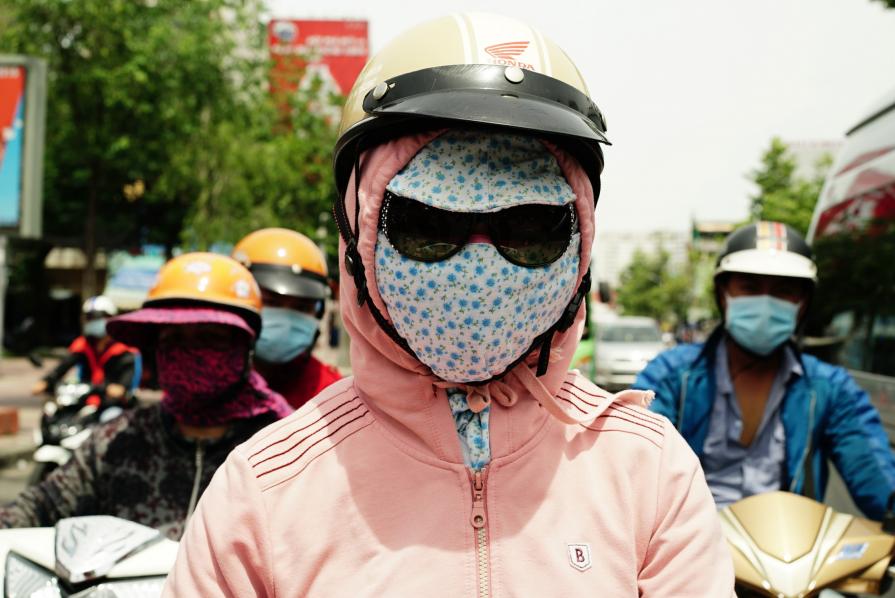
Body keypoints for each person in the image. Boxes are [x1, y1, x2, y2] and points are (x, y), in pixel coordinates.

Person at [165, 13, 734, 596]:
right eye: (428, 224)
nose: (479, 266)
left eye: (529, 228)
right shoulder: (265, 492)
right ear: (357, 237)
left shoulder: (650, 473)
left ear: (581, 245)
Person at [0, 253, 292, 540]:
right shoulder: (118, 440)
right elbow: (41, 506)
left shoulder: (283, 448)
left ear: (245, 348)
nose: (188, 353)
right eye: (173, 339)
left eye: (209, 337)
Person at [635, 221, 895, 518]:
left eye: (783, 291)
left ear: (802, 303)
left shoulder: (830, 388)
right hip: (686, 541)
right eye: (750, 287)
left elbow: (874, 473)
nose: (766, 302)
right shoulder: (671, 375)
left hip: (791, 543)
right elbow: (635, 459)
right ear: (723, 294)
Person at [232, 228, 341, 410]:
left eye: (302, 307)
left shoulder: (332, 396)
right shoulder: (205, 379)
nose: (286, 321)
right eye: (271, 302)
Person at [31, 295, 139, 405]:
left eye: (96, 317)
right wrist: (46, 381)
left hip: (113, 403)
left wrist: (120, 388)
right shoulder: (83, 344)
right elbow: (64, 365)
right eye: (88, 318)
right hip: (84, 399)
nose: (92, 322)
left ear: (110, 318)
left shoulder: (124, 349)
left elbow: (125, 382)